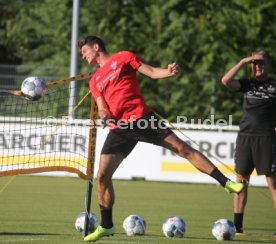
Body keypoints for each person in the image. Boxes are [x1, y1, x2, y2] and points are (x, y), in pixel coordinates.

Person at [78, 35, 244, 242]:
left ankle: (226, 183)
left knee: (184, 150)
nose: (83, 55)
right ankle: (107, 225)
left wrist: (168, 72)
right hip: (119, 128)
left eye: (84, 51)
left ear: (96, 47)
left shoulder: (123, 57)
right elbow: (102, 106)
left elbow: (152, 72)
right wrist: (104, 116)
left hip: (142, 119)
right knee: (102, 176)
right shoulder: (95, 80)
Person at [221, 51, 276, 234]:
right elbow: (226, 81)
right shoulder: (247, 83)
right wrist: (242, 61)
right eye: (254, 63)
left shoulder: (274, 85)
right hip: (245, 138)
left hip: (266, 138)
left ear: (269, 65)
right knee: (240, 181)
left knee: (273, 183)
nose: (257, 66)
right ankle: (237, 226)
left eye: (261, 63)